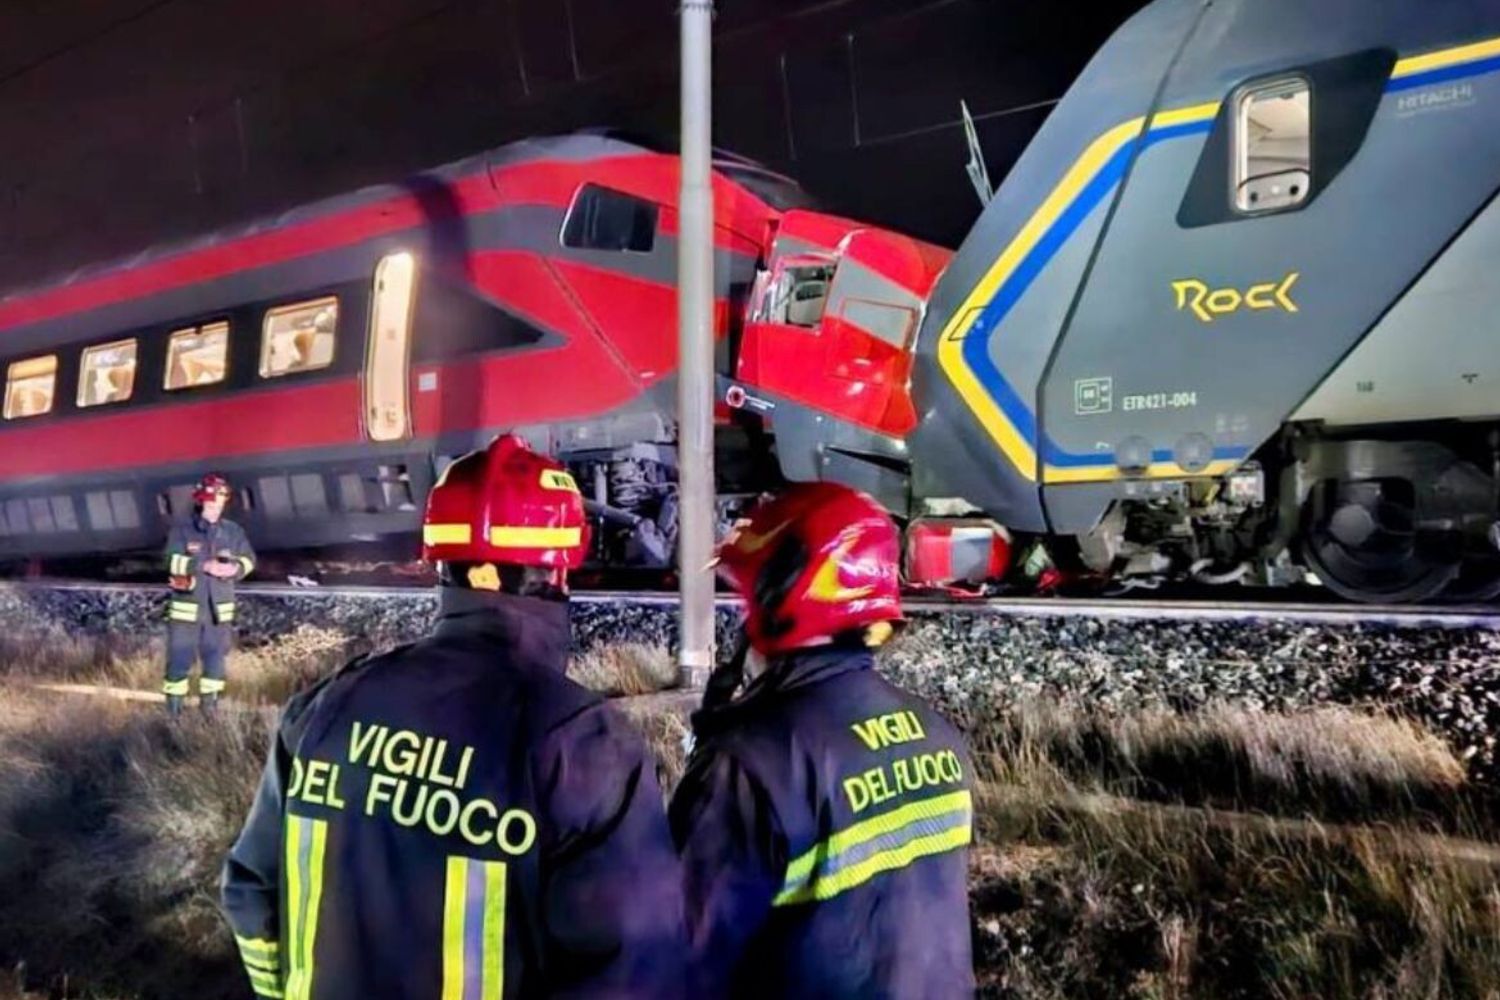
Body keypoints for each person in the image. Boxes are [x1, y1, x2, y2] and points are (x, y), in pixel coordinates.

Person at [220, 434, 685, 1000]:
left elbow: (249, 891)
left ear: (438, 564)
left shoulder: (329, 704)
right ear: (560, 572)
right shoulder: (582, 743)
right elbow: (633, 966)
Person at [671, 482, 976, 998]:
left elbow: (673, 958)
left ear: (777, 597)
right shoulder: (939, 736)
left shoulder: (750, 766)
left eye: (747, 595)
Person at [164, 472, 254, 716]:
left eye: (220, 503)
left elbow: (249, 560)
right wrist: (202, 566)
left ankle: (209, 713)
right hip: (187, 612)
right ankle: (173, 716)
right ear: (201, 501)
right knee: (179, 663)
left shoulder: (232, 532)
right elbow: (170, 561)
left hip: (218, 612)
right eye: (212, 503)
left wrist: (235, 568)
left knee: (215, 664)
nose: (216, 508)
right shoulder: (182, 531)